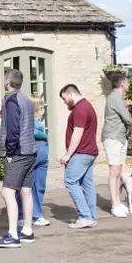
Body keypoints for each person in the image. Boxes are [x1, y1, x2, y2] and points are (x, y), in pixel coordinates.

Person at [0, 69, 38, 249]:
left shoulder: (11, 101)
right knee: (26, 191)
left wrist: (9, 153)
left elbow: (13, 131)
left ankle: (12, 235)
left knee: (7, 192)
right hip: (30, 151)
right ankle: (27, 230)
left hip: (17, 153)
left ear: (7, 82)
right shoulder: (26, 100)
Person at [58, 85, 99, 228]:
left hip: (81, 153)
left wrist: (68, 154)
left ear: (70, 94)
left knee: (70, 181)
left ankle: (85, 216)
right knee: (87, 184)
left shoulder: (79, 110)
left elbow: (78, 133)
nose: (64, 102)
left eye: (64, 98)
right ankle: (91, 217)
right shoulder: (88, 106)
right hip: (90, 151)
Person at [101, 72, 132, 218]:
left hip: (120, 137)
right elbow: (128, 118)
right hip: (113, 137)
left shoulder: (118, 97)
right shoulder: (115, 97)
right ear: (122, 84)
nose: (129, 84)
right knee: (114, 171)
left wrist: (129, 132)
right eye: (127, 82)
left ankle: (118, 202)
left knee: (119, 171)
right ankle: (114, 205)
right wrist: (131, 130)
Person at [31, 98, 51, 227]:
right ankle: (26, 214)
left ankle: (37, 214)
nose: (43, 111)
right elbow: (32, 132)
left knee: (40, 186)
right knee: (29, 185)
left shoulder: (38, 121)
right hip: (34, 152)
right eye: (41, 108)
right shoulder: (30, 119)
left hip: (43, 155)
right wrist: (45, 136)